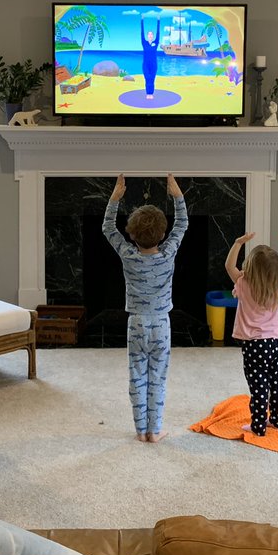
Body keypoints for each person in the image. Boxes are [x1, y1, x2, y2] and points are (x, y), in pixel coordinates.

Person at [103, 174, 189, 442]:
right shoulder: (168, 253)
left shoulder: (128, 255)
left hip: (137, 323)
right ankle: (155, 430)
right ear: (162, 234)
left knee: (137, 376)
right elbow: (183, 224)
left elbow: (108, 228)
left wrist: (115, 198)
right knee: (157, 378)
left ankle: (141, 431)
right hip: (161, 324)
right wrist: (178, 195)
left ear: (132, 233)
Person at [225, 231, 278, 437]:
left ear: (250, 267)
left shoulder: (243, 283)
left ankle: (258, 426)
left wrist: (238, 242)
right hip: (274, 342)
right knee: (277, 382)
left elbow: (229, 266)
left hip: (254, 345)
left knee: (259, 387)